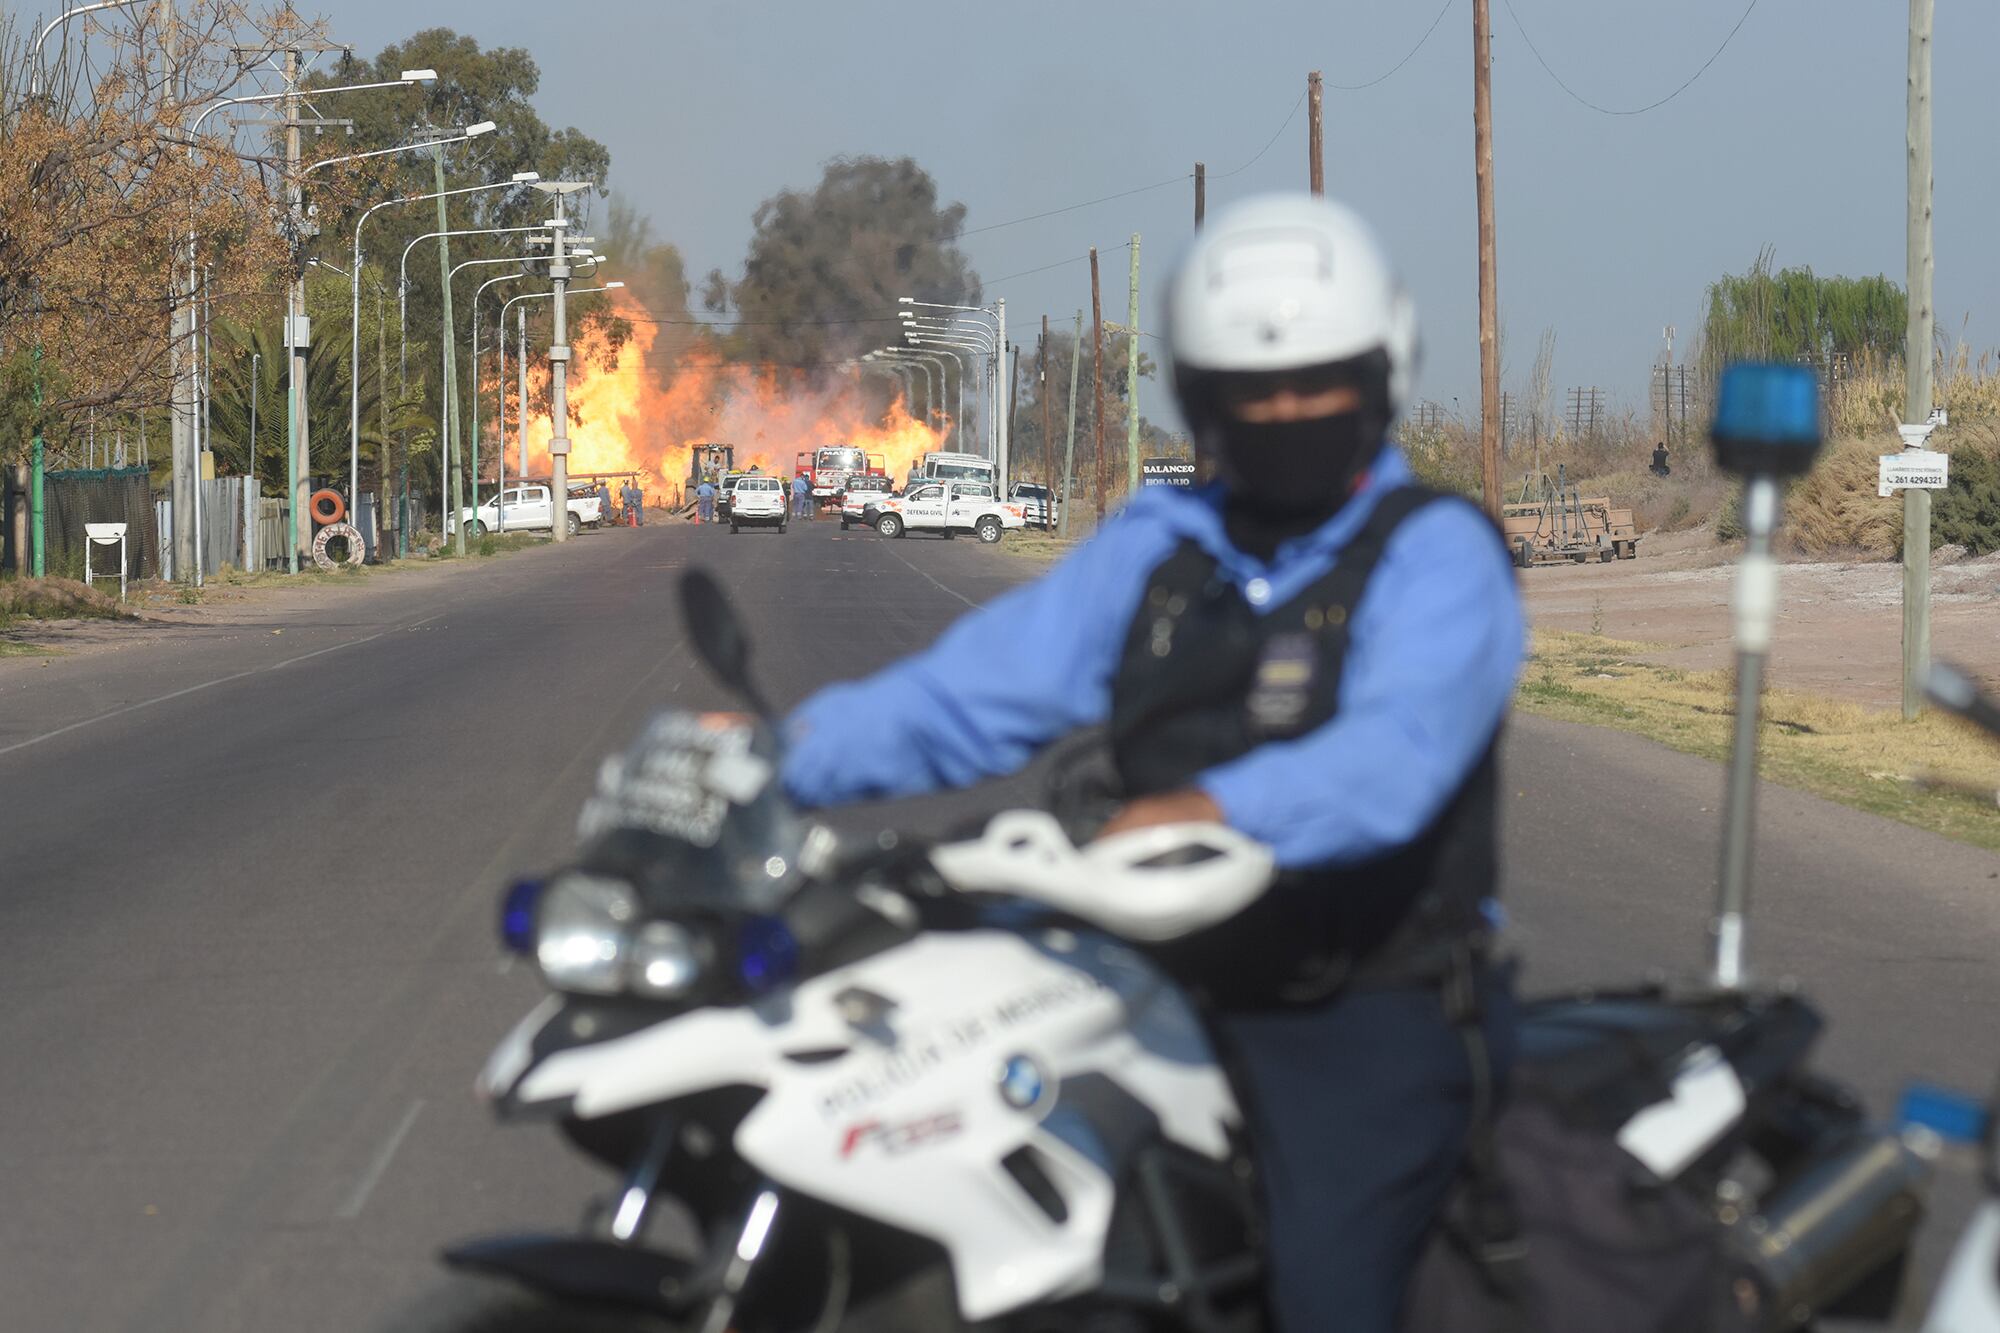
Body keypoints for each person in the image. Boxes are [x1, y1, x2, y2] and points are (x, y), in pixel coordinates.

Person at [780, 195, 1523, 1333]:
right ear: (1197, 397)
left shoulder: (1436, 553)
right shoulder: (1158, 546)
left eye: (1315, 382)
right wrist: (779, 760)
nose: (1281, 410)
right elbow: (970, 695)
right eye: (1247, 392)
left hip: (1354, 995)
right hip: (1132, 966)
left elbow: (1396, 757)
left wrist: (1206, 806)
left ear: (1383, 371)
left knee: (1324, 1291)